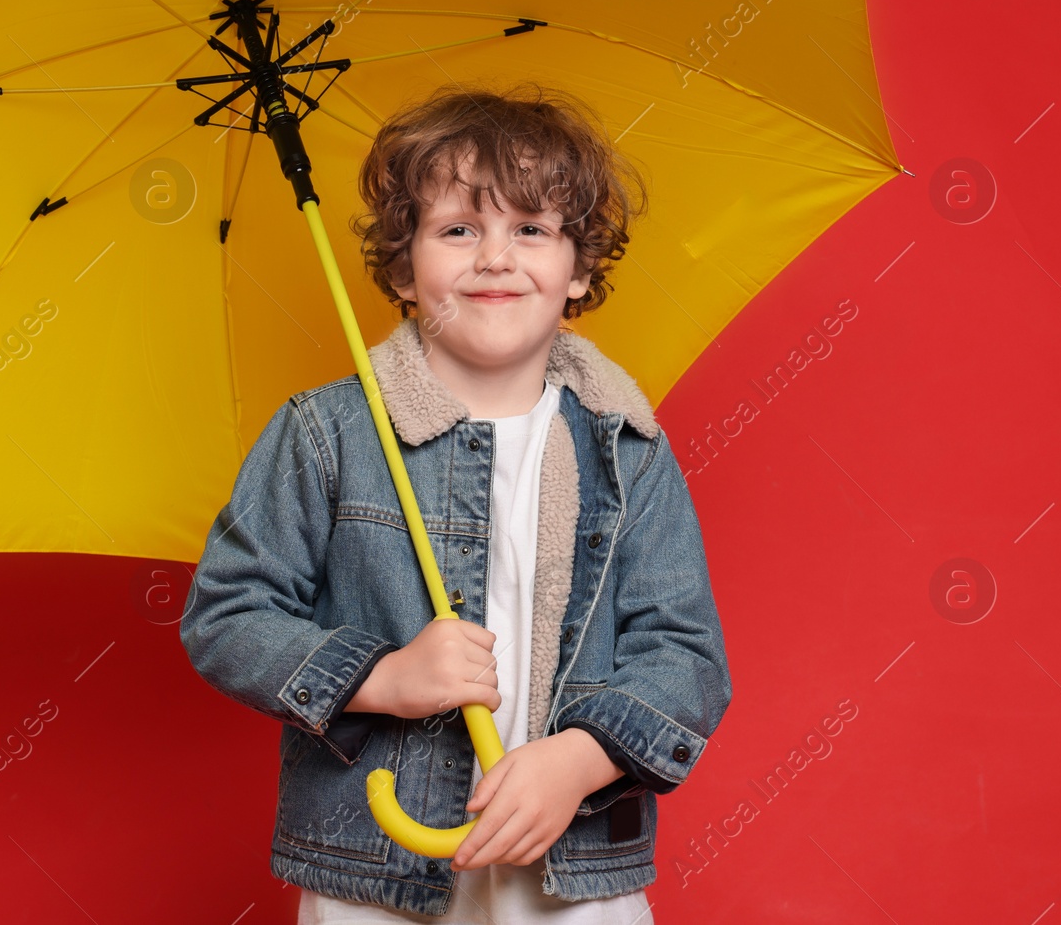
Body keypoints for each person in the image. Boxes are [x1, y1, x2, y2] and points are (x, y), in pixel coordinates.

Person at [179, 82, 732, 921]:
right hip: (375, 866)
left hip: (571, 871)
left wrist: (580, 760)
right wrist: (381, 674)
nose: (495, 257)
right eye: (458, 229)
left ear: (578, 270)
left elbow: (685, 653)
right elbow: (226, 613)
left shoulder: (627, 447)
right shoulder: (327, 433)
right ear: (404, 267)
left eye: (532, 230)